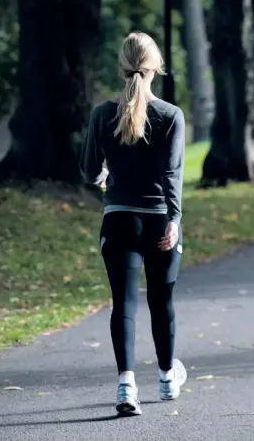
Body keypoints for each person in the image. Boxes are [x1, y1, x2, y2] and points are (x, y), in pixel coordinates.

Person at [79, 32, 186, 416]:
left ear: (122, 67)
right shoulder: (170, 115)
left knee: (122, 304)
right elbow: (171, 174)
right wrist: (174, 218)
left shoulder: (102, 114)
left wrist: (105, 172)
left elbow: (90, 169)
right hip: (159, 221)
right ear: (156, 66)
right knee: (162, 301)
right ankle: (167, 378)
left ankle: (126, 386)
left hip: (119, 221)